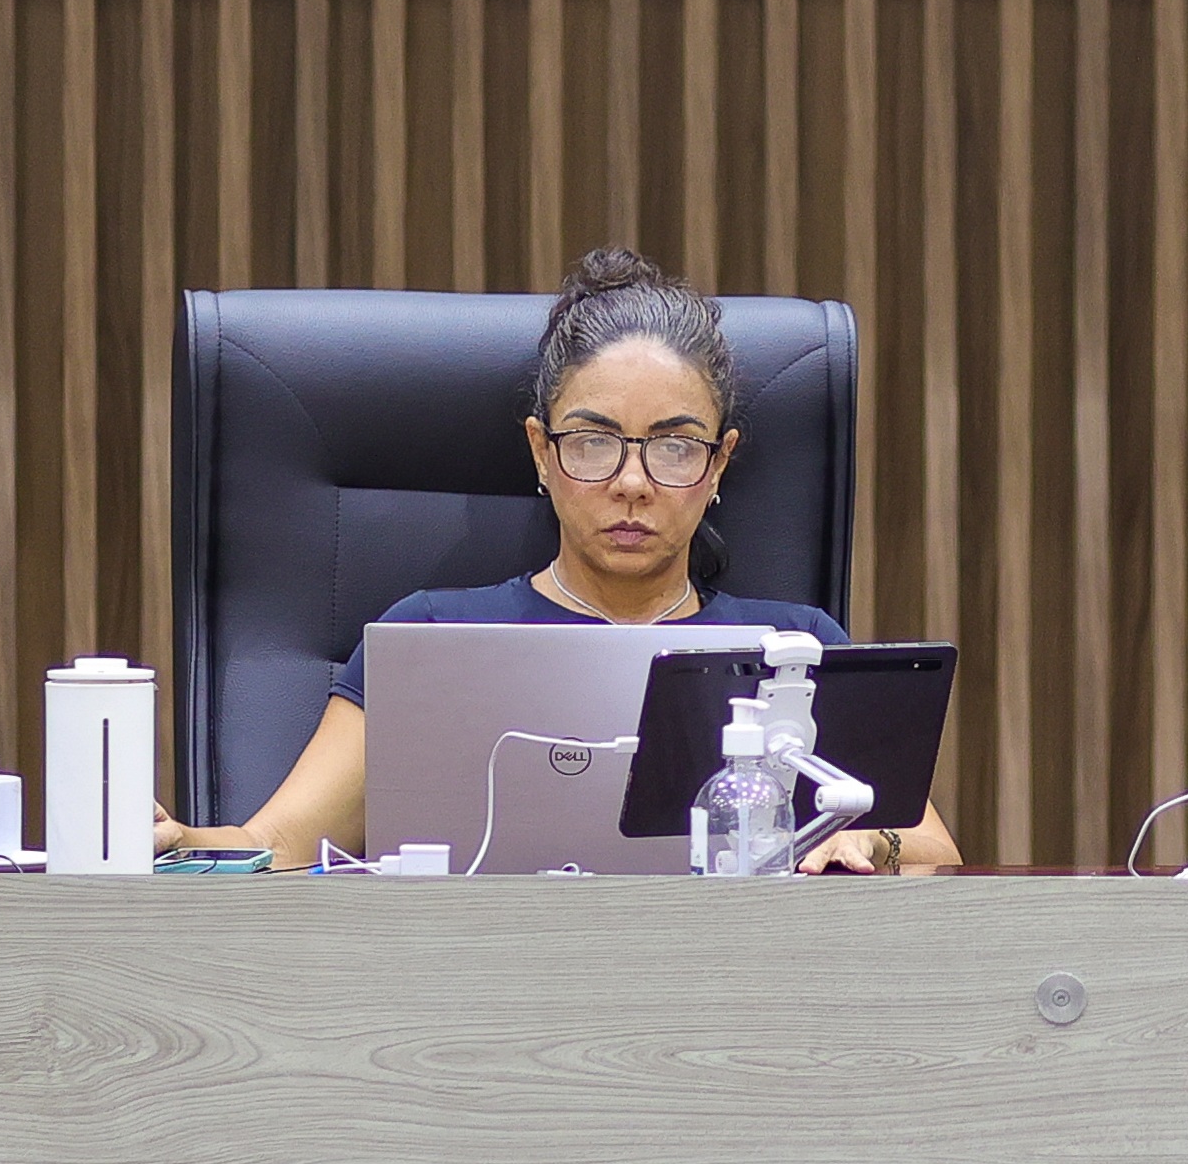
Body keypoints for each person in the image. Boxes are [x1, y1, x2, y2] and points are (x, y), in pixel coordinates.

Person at [188, 249, 962, 874]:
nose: (632, 483)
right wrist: (172, 842)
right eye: (594, 442)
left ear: (719, 463)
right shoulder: (430, 636)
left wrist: (869, 841)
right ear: (541, 451)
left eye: (674, 446)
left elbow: (932, 848)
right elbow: (277, 845)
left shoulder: (794, 649)